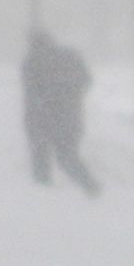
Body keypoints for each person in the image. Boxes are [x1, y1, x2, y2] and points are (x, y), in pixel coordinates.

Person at [21, 27, 101, 196]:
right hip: (70, 119)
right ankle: (91, 187)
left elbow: (31, 95)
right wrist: (70, 98)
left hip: (41, 122)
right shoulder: (70, 57)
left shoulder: (31, 62)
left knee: (41, 162)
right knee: (68, 158)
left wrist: (32, 121)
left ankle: (44, 201)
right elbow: (86, 81)